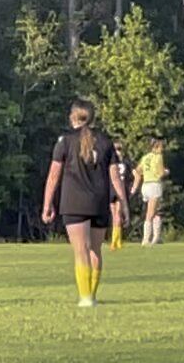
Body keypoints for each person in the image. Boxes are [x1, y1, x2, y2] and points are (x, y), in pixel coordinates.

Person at [42, 99, 129, 308]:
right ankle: (93, 295)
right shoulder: (105, 142)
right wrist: (124, 204)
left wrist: (47, 203)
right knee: (96, 250)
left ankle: (85, 297)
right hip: (99, 201)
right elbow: (115, 177)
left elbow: (54, 175)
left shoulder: (65, 141)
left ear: (73, 117)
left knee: (80, 250)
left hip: (74, 201)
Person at [132, 139, 169, 246]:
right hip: (154, 184)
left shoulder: (145, 157)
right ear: (156, 147)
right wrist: (166, 172)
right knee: (150, 213)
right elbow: (161, 172)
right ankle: (146, 239)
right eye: (161, 147)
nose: (162, 149)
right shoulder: (158, 157)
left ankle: (156, 237)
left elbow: (138, 171)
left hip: (145, 185)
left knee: (156, 211)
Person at [109, 142, 133, 251]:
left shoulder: (110, 162)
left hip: (111, 188)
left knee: (116, 215)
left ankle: (116, 240)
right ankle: (116, 241)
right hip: (119, 188)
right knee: (117, 214)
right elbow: (133, 174)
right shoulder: (125, 163)